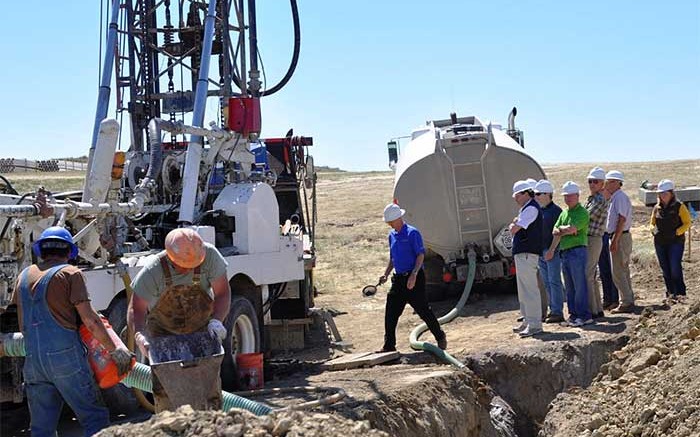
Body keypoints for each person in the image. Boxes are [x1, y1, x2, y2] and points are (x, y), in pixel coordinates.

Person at [11, 226, 133, 437]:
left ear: (41, 251)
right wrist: (115, 350)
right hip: (65, 360)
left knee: (42, 429)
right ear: (70, 252)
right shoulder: (70, 273)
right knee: (94, 418)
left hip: (33, 363)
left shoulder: (24, 276)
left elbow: (23, 326)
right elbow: (91, 321)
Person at [128, 228, 231, 412]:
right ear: (170, 257)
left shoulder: (210, 257)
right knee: (166, 393)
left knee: (208, 389)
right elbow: (136, 308)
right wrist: (139, 335)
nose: (190, 268)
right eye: (185, 265)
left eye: (194, 264)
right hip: (163, 335)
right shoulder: (154, 270)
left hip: (201, 331)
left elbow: (222, 293)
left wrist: (217, 320)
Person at [377, 203, 447, 351]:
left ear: (398, 218)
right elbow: (393, 257)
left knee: (423, 310)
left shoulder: (412, 233)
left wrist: (414, 275)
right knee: (391, 312)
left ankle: (440, 336)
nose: (389, 224)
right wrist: (386, 273)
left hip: (414, 277)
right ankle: (389, 345)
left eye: (390, 221)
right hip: (399, 280)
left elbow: (420, 255)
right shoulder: (392, 235)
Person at [545, 181, 591, 327]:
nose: (568, 198)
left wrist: (563, 230)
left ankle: (584, 315)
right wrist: (565, 230)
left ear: (577, 196)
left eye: (570, 195)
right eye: (566, 196)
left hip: (578, 251)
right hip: (565, 252)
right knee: (570, 286)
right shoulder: (564, 213)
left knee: (579, 284)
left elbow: (571, 229)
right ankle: (574, 315)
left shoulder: (582, 212)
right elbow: (555, 231)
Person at [510, 180, 544, 337]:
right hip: (523, 253)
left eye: (517, 195)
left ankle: (535, 324)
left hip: (527, 253)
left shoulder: (531, 209)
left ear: (525, 193)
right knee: (523, 290)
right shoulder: (527, 209)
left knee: (529, 289)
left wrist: (514, 226)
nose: (515, 198)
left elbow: (515, 228)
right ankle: (528, 321)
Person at [650, 179, 691, 301]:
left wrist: (677, 232)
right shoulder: (657, 208)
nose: (663, 196)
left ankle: (680, 293)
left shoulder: (680, 206)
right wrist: (653, 230)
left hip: (675, 242)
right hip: (660, 242)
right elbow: (652, 222)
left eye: (665, 193)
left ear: (671, 193)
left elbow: (687, 223)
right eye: (661, 193)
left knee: (674, 267)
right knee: (665, 268)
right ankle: (670, 292)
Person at [604, 170, 636, 313]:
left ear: (618, 183)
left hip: (620, 237)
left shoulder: (619, 198)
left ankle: (626, 301)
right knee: (622, 269)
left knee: (618, 271)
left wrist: (615, 240)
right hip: (619, 236)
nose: (608, 184)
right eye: (608, 181)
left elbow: (621, 219)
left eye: (612, 181)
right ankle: (628, 299)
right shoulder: (615, 198)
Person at [534, 180, 565, 323]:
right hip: (542, 251)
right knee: (547, 283)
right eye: (536, 194)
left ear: (548, 194)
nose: (537, 196)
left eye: (539, 194)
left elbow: (557, 233)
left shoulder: (556, 211)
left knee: (554, 282)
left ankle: (557, 311)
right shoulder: (540, 211)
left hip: (551, 251)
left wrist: (552, 250)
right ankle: (552, 309)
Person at [584, 167, 608, 319]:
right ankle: (597, 308)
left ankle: (592, 309)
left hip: (593, 238)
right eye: (590, 181)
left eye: (595, 182)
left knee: (588, 274)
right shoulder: (591, 199)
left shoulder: (599, 200)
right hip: (590, 238)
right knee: (591, 274)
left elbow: (585, 217)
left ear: (602, 184)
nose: (592, 184)